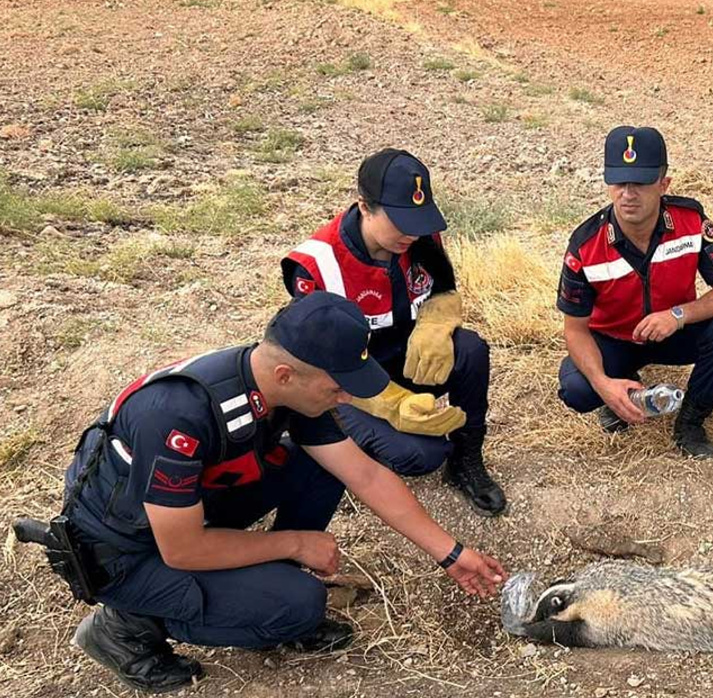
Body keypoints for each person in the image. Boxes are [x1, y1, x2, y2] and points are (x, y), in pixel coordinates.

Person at [59, 292, 507, 693]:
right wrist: (295, 543)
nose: (346, 399)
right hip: (128, 552)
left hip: (186, 511)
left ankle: (265, 583)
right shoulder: (177, 414)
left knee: (319, 467)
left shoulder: (289, 390)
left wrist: (453, 555)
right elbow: (182, 548)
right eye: (337, 387)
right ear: (285, 374)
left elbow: (364, 475)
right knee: (300, 606)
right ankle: (127, 624)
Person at [281, 149, 506, 516]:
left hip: (402, 361)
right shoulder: (316, 267)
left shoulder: (419, 237)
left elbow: (443, 288)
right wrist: (393, 403)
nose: (412, 232)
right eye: (400, 219)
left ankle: (467, 461)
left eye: (418, 219)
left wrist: (436, 323)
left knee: (471, 350)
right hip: (347, 387)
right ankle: (338, 452)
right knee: (421, 455)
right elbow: (320, 367)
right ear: (364, 206)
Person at [556, 126, 713, 459]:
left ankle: (691, 421)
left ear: (664, 184)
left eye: (640, 183)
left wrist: (678, 315)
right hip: (614, 340)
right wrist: (605, 385)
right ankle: (623, 391)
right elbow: (574, 330)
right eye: (618, 182)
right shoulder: (585, 245)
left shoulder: (691, 222)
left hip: (673, 333)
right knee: (577, 387)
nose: (628, 194)